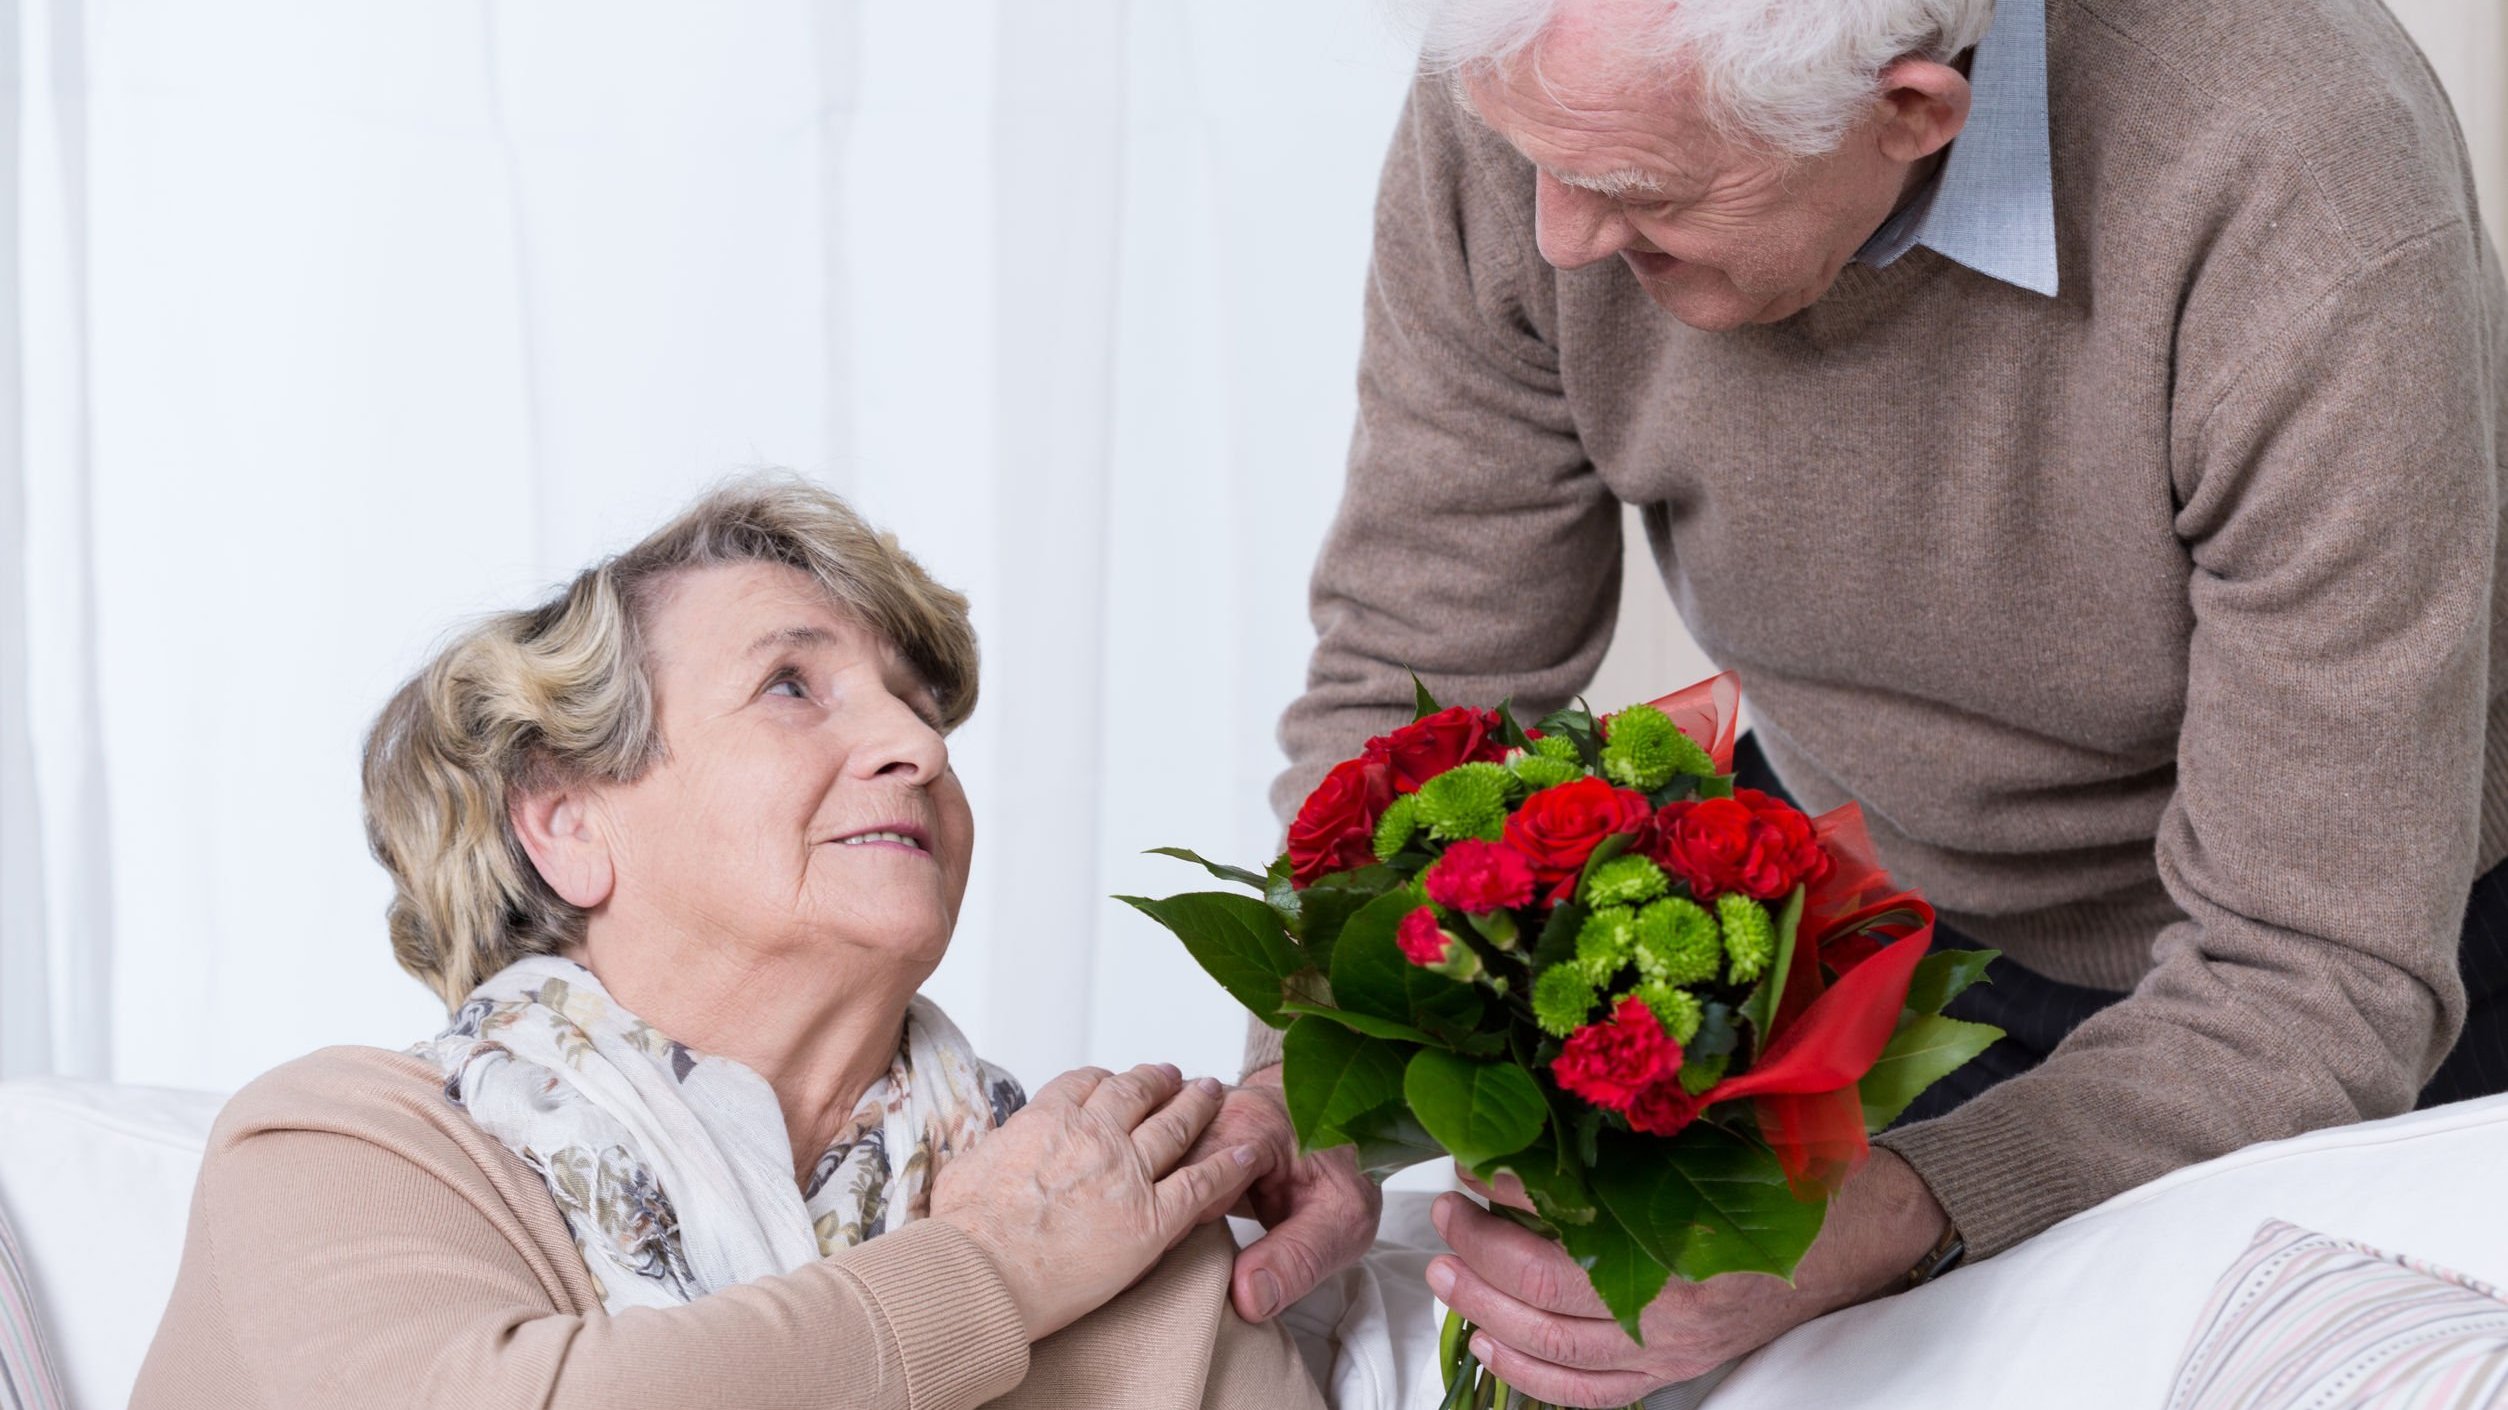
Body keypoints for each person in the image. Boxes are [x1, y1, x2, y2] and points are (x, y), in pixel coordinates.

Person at [1216, 0, 2508, 1402]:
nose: (1558, 239)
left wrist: (1904, 1209)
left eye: (1640, 194)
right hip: (1869, 923)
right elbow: (1421, 671)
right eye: (1534, 160)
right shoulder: (1551, 86)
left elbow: (2312, 971)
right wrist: (1306, 1077)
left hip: (2371, 962)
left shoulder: (2301, 191)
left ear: (1908, 114)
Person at [132, 476, 1328, 1410]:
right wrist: (993, 1277)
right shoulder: (340, 1155)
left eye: (917, 702)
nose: (919, 746)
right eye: (793, 687)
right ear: (568, 820)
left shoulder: (1104, 1210)